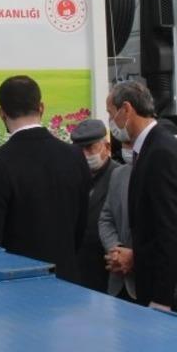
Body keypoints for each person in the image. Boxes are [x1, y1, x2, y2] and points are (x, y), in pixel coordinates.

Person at [105, 81, 177, 316]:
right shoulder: (152, 147)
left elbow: (171, 229)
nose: (111, 122)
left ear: (126, 109)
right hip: (163, 284)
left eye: (110, 114)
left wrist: (163, 297)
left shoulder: (161, 152)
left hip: (171, 292)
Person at [0, 75, 91, 270]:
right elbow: (81, 225)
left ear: (1, 113)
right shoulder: (74, 155)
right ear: (41, 107)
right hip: (68, 279)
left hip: (19, 285)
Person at [63, 119, 116, 291]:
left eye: (90, 148)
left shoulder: (119, 176)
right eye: (80, 149)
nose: (85, 155)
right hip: (76, 273)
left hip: (107, 272)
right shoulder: (69, 178)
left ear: (106, 147)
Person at [99, 137, 137, 300]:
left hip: (143, 284)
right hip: (118, 284)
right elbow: (106, 218)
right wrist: (115, 250)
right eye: (124, 143)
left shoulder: (159, 173)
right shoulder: (119, 174)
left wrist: (134, 257)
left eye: (131, 143)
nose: (127, 148)